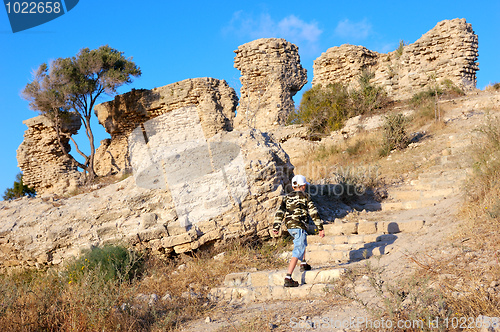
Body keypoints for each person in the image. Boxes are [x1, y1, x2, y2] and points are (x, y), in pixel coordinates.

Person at [273, 174, 325, 287]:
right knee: (298, 248)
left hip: (290, 226)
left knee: (302, 239)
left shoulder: (286, 197)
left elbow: (280, 212)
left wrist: (276, 226)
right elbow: (313, 212)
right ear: (304, 186)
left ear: (293, 187)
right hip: (299, 224)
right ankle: (288, 277)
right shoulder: (305, 196)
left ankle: (303, 263)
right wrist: (320, 228)